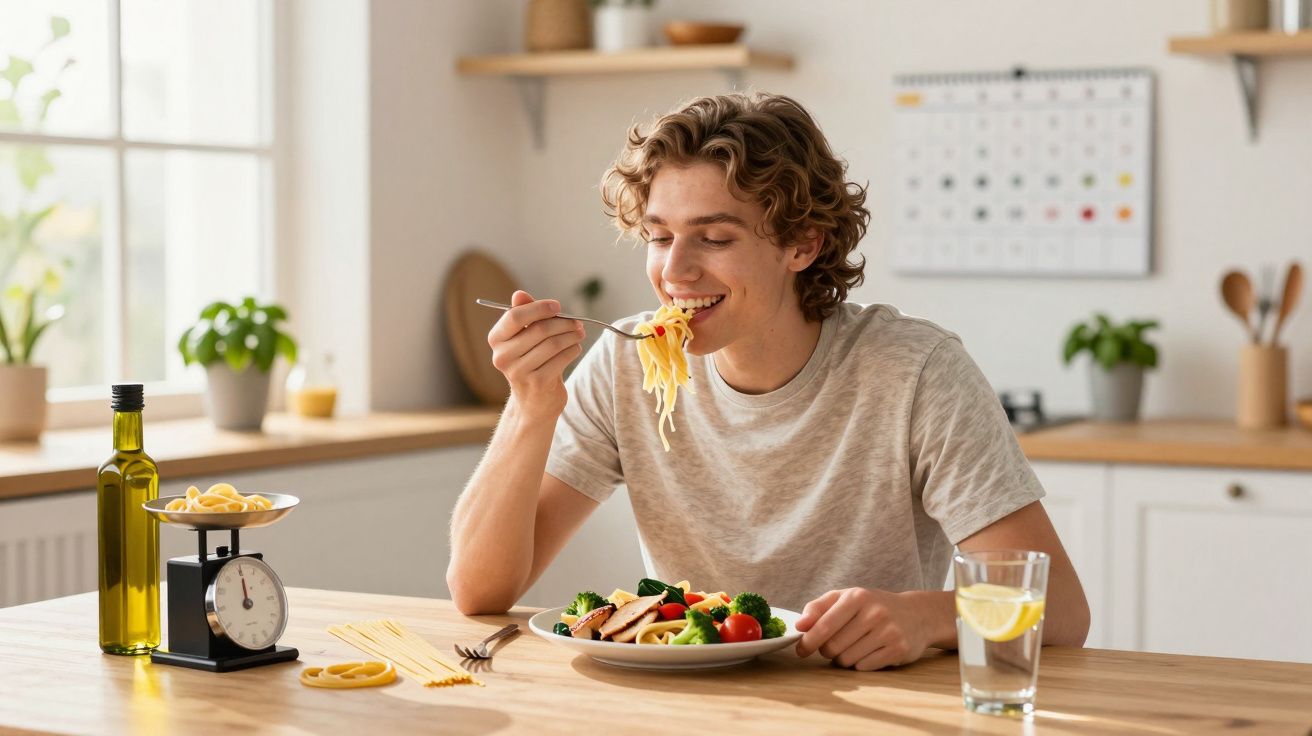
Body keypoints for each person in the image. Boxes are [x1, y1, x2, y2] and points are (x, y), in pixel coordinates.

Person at [447, 92, 1089, 670]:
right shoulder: (626, 363)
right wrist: (530, 405)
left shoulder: (914, 371)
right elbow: (478, 590)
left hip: (867, 700)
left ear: (802, 245)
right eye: (660, 236)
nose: (675, 271)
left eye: (714, 238)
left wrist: (927, 618)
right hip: (692, 701)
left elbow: (1060, 610)